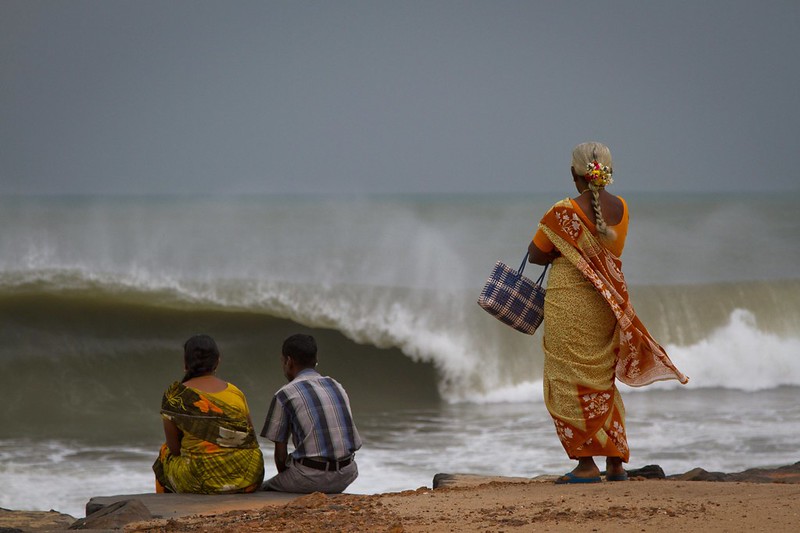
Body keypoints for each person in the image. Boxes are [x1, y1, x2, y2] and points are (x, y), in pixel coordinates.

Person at [528, 142, 688, 484]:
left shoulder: (563, 211)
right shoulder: (623, 209)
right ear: (607, 173)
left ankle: (586, 465)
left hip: (568, 305)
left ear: (575, 174)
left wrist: (564, 251)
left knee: (568, 380)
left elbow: (535, 255)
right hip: (607, 304)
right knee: (602, 379)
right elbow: (608, 249)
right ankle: (615, 463)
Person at [153, 334, 264, 493]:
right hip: (248, 477)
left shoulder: (175, 397)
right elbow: (250, 437)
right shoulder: (235, 393)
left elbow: (175, 449)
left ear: (186, 364)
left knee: (165, 453)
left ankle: (166, 503)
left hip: (201, 483)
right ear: (217, 361)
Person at [260, 333, 362, 493]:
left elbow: (280, 455)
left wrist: (287, 483)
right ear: (315, 360)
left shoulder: (285, 394)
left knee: (264, 489)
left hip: (310, 478)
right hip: (347, 473)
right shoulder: (336, 385)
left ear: (289, 361)